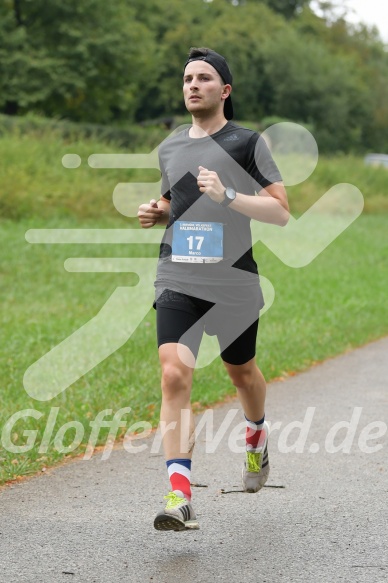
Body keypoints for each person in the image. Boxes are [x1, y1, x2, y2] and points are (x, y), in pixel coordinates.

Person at [137, 47, 289, 532]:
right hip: (178, 273)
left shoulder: (247, 143)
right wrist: (157, 211)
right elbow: (174, 198)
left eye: (204, 78)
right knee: (173, 374)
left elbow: (280, 211)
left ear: (224, 90)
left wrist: (229, 196)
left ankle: (257, 436)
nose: (193, 85)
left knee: (241, 371)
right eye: (187, 78)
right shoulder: (170, 147)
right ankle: (179, 494)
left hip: (233, 280)